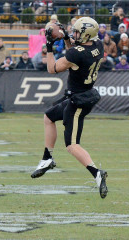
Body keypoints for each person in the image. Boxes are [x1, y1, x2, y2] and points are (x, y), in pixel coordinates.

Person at [30, 17, 108, 199]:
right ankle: (47, 158)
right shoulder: (97, 44)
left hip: (78, 101)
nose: (75, 35)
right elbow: (76, 51)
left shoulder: (77, 54)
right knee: (49, 117)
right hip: (83, 94)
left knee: (72, 145)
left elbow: (52, 68)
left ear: (86, 34)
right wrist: (66, 37)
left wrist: (49, 45)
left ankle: (97, 173)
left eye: (78, 32)